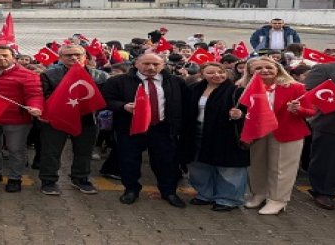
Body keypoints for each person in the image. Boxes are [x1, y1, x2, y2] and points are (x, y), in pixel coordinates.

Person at [102, 52, 189, 207]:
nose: (151, 67)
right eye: (146, 63)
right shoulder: (119, 81)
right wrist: (123, 106)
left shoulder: (175, 82)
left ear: (163, 65)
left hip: (162, 128)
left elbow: (185, 102)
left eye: (155, 64)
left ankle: (169, 192)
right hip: (131, 127)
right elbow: (106, 100)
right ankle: (131, 190)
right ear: (136, 64)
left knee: (166, 162)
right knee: (129, 160)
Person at [239, 57, 311, 215]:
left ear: (277, 68)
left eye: (268, 67)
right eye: (258, 68)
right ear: (250, 71)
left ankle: (277, 200)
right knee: (257, 165)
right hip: (258, 132)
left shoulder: (294, 87)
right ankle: (259, 193)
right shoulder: (244, 87)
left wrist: (297, 110)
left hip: (287, 132)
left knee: (281, 168)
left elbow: (310, 111)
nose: (264, 70)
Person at [38, 44, 107, 196]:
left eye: (77, 54)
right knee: (51, 151)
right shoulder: (49, 75)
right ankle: (48, 181)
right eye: (68, 55)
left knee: (84, 152)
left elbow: (104, 99)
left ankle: (80, 179)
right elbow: (43, 96)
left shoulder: (100, 76)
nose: (73, 58)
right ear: (60, 58)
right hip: (57, 120)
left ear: (85, 56)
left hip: (87, 119)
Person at [0, 45, 43, 193]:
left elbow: (34, 95)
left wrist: (36, 107)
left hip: (16, 119)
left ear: (13, 57)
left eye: (5, 55)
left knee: (16, 150)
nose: (1, 58)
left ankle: (15, 178)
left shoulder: (28, 75)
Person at [181, 63, 248, 212]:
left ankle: (228, 199)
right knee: (198, 165)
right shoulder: (193, 89)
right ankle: (205, 194)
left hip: (226, 134)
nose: (217, 75)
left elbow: (250, 111)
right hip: (196, 132)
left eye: (221, 71)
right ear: (201, 74)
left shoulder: (237, 91)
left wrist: (240, 115)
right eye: (211, 72)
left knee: (228, 168)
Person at [304, 58, 335, 210]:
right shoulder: (326, 69)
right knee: (329, 160)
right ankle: (323, 191)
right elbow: (310, 92)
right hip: (334, 124)